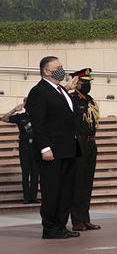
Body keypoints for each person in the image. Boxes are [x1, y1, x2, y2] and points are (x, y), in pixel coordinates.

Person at [27, 56, 81, 239]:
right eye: (57, 67)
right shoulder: (38, 91)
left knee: (66, 190)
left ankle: (60, 226)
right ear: (46, 71)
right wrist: (45, 148)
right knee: (52, 190)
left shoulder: (60, 90)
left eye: (62, 66)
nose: (61, 70)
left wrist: (67, 89)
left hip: (68, 148)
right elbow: (39, 124)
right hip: (52, 151)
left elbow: (59, 107)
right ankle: (50, 228)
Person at [69, 69, 101, 231]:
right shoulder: (72, 99)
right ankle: (77, 221)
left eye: (89, 82)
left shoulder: (89, 100)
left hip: (90, 144)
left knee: (87, 183)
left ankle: (85, 218)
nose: (87, 85)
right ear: (77, 83)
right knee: (78, 183)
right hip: (78, 144)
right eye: (84, 83)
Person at [1, 100, 40, 204]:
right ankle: (26, 197)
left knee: (35, 173)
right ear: (25, 105)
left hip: (36, 147)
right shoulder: (20, 116)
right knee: (25, 172)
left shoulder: (39, 116)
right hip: (25, 147)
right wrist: (14, 110)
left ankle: (34, 197)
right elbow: (3, 119)